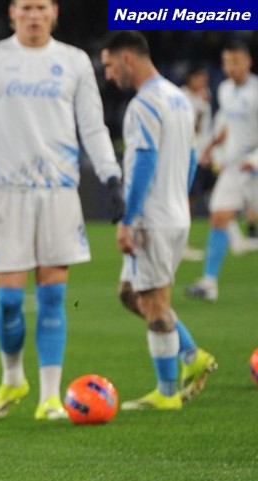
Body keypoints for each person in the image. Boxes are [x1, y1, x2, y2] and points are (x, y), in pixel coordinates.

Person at [0, 0, 125, 422]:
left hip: (58, 191)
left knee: (53, 297)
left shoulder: (74, 61)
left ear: (54, 12)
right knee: (9, 302)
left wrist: (111, 175)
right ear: (12, 13)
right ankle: (13, 377)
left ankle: (50, 398)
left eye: (41, 7)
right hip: (7, 190)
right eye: (26, 7)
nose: (33, 15)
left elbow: (92, 125)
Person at [99, 31, 218, 411]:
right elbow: (191, 157)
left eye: (109, 65)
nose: (108, 74)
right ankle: (191, 355)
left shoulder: (144, 104)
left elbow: (145, 160)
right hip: (173, 214)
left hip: (151, 219)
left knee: (153, 304)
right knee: (130, 293)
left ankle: (167, 393)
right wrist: (177, 199)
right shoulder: (178, 98)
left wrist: (128, 218)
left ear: (127, 59)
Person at [186, 39, 258, 301]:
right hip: (234, 167)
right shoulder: (225, 90)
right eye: (227, 62)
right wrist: (211, 146)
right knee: (218, 216)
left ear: (248, 62)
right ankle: (209, 283)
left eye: (235, 61)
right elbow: (226, 124)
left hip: (255, 166)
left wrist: (255, 160)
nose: (230, 67)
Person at [179, 64, 212, 262]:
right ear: (190, 78)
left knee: (200, 197)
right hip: (186, 156)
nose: (203, 82)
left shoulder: (203, 97)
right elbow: (192, 128)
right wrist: (201, 106)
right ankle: (181, 244)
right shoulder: (182, 97)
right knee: (185, 201)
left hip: (202, 155)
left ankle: (232, 235)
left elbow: (205, 130)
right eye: (200, 78)